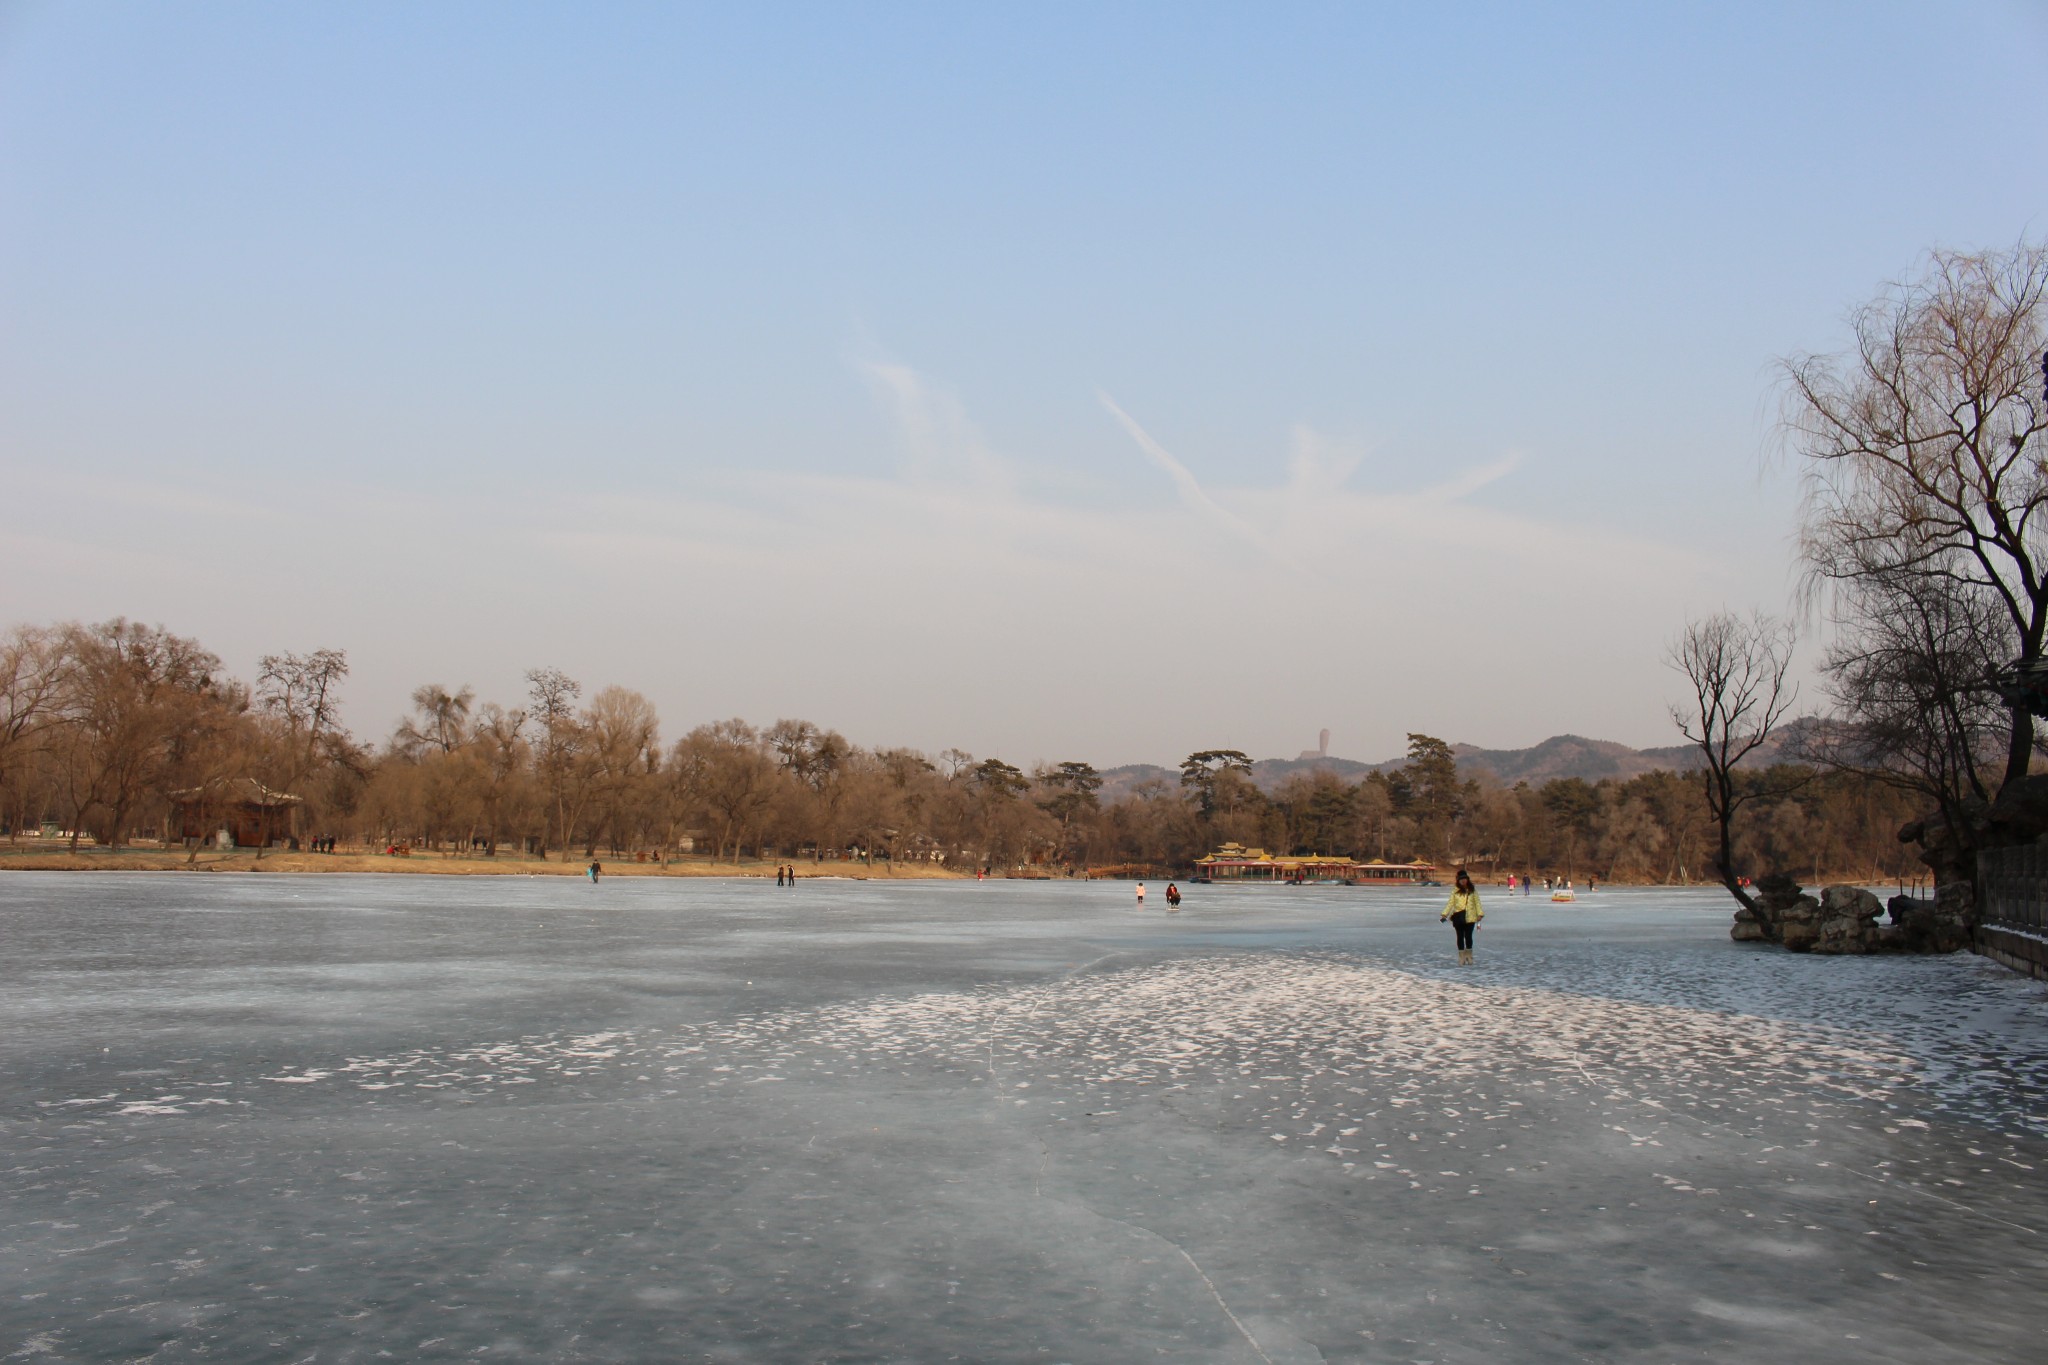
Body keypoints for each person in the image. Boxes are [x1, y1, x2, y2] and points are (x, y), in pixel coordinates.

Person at [1440, 868, 1483, 965]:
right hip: (1458, 918)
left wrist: (1480, 914)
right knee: (1460, 937)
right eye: (1461, 879)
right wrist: (1445, 913)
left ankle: (1469, 956)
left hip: (1470, 917)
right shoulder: (1455, 891)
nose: (1463, 881)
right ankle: (1461, 957)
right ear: (1458, 880)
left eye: (1465, 879)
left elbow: (1477, 903)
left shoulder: (1472, 890)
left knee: (1468, 937)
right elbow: (1450, 903)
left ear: (1467, 879)